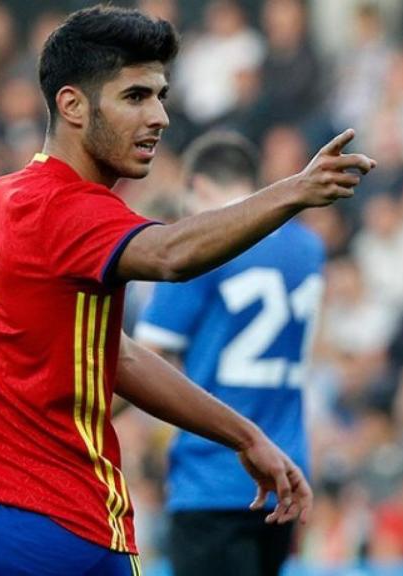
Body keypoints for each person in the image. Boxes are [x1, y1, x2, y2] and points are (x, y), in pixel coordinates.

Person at [0, 6, 375, 575]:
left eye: (161, 96)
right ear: (72, 105)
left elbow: (115, 355)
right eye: (135, 97)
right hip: (59, 526)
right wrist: (293, 192)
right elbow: (172, 255)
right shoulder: (72, 209)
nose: (159, 117)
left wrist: (244, 435)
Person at [134, 130, 325, 576]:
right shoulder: (307, 248)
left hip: (211, 477)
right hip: (286, 469)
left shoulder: (201, 250)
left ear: (198, 187)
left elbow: (143, 361)